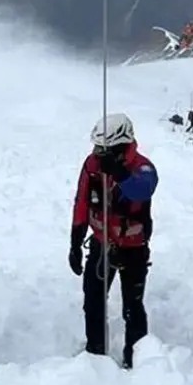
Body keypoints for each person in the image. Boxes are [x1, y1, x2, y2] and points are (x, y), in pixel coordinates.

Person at [70, 112, 158, 367]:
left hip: (133, 249)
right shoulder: (92, 165)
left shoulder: (143, 167)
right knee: (93, 300)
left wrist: (119, 173)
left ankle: (136, 357)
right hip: (101, 245)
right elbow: (82, 202)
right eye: (96, 147)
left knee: (133, 305)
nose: (98, 152)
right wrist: (75, 241)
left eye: (103, 148)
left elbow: (142, 189)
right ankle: (95, 353)